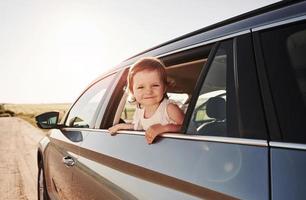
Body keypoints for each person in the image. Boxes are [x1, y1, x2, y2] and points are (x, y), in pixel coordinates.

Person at [108, 57, 185, 144]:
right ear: (133, 91)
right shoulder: (140, 110)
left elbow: (187, 127)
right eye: (141, 87)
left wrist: (164, 128)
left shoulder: (169, 108)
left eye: (155, 85)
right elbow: (138, 127)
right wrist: (121, 126)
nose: (148, 91)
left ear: (164, 88)